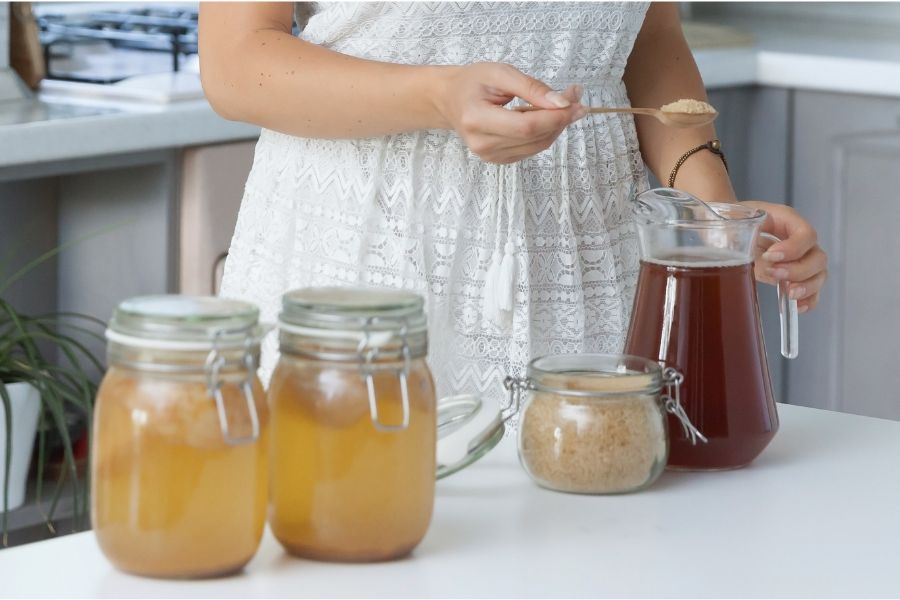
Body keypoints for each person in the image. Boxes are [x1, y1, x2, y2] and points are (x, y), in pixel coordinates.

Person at [199, 2, 827, 404]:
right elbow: (233, 60)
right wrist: (438, 97)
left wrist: (711, 221)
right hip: (371, 259)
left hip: (592, 269)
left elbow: (649, 33)